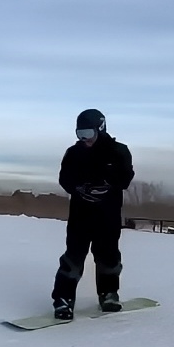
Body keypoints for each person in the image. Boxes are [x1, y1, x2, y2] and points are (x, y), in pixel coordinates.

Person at [52, 109, 134, 320]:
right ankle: (63, 300)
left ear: (100, 129)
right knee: (74, 257)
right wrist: (79, 187)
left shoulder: (118, 152)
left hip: (108, 216)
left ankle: (108, 294)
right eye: (80, 134)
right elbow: (65, 179)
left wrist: (107, 180)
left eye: (88, 133)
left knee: (108, 256)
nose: (84, 139)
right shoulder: (74, 153)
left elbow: (125, 178)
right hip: (81, 216)